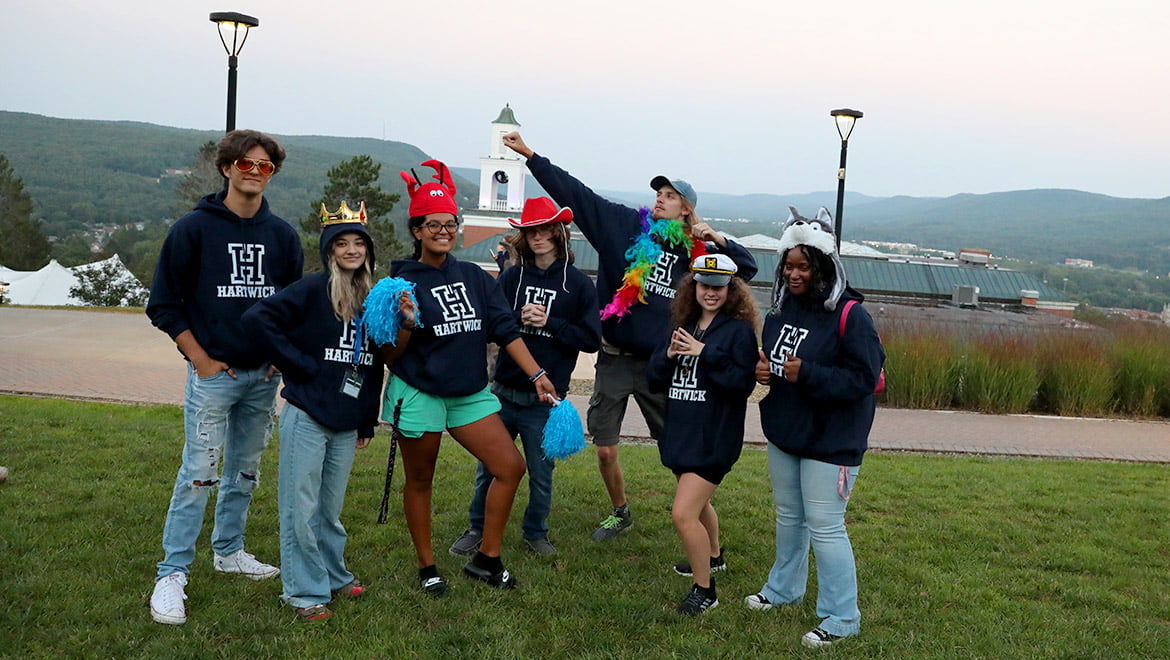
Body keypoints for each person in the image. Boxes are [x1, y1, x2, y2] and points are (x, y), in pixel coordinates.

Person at [502, 131, 757, 542]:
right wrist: (531, 156)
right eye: (658, 192)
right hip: (615, 357)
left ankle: (706, 537)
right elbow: (576, 193)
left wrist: (716, 238)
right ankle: (620, 511)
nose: (660, 197)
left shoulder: (695, 250)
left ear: (686, 210)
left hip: (664, 364)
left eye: (671, 195)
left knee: (680, 459)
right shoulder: (621, 227)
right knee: (604, 448)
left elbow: (745, 269)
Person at [376, 161, 557, 595]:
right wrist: (404, 322)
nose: (444, 230)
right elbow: (389, 354)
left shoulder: (474, 276)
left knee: (509, 467)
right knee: (421, 479)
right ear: (416, 230)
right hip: (419, 392)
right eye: (433, 224)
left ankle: (487, 559)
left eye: (450, 223)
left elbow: (505, 329)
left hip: (469, 393)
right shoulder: (397, 282)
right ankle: (427, 567)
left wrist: (537, 373)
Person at [145, 129, 304, 625]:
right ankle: (172, 574)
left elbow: (292, 306)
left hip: (262, 379)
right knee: (199, 472)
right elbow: (164, 304)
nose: (254, 172)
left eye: (265, 167)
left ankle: (229, 549)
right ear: (226, 168)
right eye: (246, 164)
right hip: (214, 376)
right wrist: (200, 359)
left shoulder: (283, 236)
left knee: (245, 470)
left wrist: (280, 356)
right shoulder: (193, 229)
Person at [746, 207, 885, 648]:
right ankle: (784, 590)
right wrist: (767, 372)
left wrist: (806, 374)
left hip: (833, 441)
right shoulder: (781, 311)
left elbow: (865, 380)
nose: (793, 273)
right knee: (789, 518)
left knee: (826, 526)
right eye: (788, 264)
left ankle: (842, 617)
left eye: (803, 265)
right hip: (787, 433)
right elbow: (780, 362)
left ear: (823, 265)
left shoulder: (850, 316)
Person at [241, 202, 384, 622]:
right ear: (329, 251)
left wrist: (366, 420)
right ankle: (303, 591)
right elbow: (258, 318)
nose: (352, 250)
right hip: (307, 414)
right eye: (342, 243)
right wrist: (298, 364)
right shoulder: (312, 289)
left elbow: (374, 363)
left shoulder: (371, 299)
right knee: (299, 507)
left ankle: (334, 574)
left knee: (328, 508)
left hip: (345, 417)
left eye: (359, 242)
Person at [448, 197, 601, 558]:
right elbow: (492, 326)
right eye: (532, 230)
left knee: (541, 472)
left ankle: (536, 532)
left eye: (547, 229)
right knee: (489, 467)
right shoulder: (512, 277)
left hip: (545, 400)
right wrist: (518, 317)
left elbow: (591, 339)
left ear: (560, 233)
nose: (540, 236)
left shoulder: (577, 285)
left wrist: (550, 322)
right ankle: (477, 528)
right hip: (503, 391)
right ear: (524, 236)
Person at [647, 254, 760, 615]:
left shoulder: (738, 331)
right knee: (699, 504)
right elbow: (653, 379)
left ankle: (705, 590)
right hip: (680, 432)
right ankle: (713, 556)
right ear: (693, 286)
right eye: (704, 284)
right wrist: (667, 355)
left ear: (731, 289)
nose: (710, 292)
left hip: (714, 436)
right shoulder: (683, 323)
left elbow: (741, 384)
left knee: (683, 513)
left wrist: (705, 353)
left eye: (719, 286)